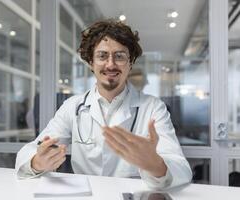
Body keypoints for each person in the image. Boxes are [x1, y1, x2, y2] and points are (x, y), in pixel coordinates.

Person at [15, 19, 192, 189]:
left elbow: (181, 169)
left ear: (130, 63)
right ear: (91, 62)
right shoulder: (73, 107)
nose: (110, 64)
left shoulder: (153, 108)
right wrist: (37, 162)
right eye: (102, 56)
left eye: (120, 56)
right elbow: (31, 150)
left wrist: (155, 165)